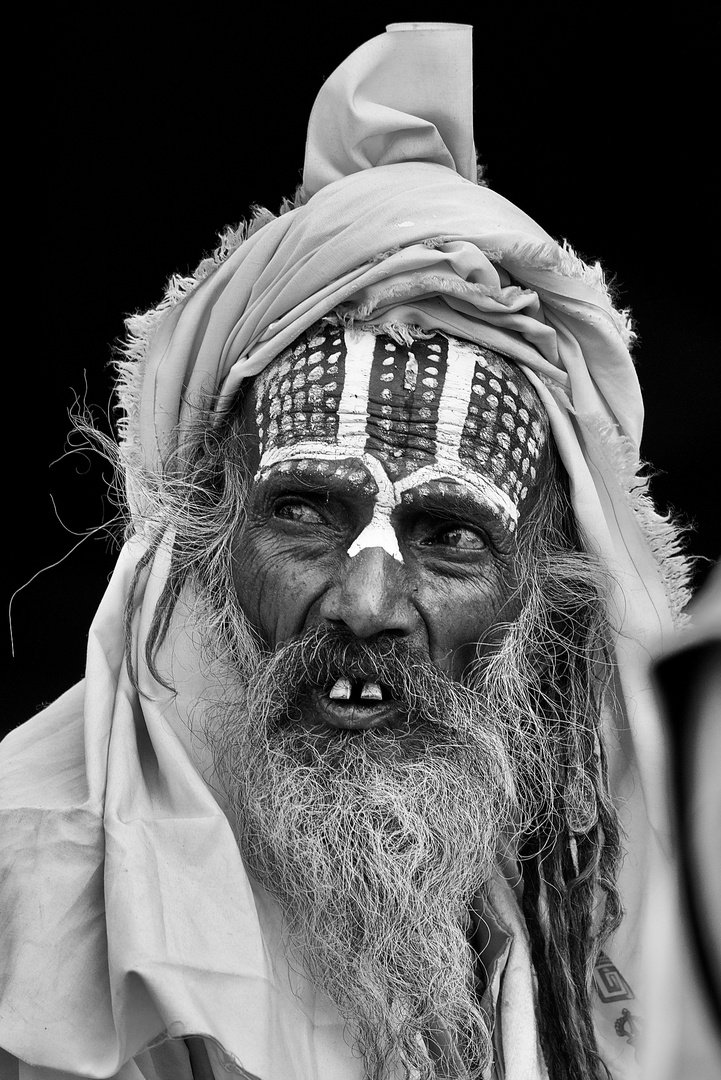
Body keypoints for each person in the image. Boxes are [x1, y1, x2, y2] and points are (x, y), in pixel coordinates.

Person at [0, 23, 694, 1080]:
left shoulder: (567, 915)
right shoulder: (31, 879)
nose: (366, 600)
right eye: (307, 512)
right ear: (204, 535)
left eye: (449, 534)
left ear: (534, 594)